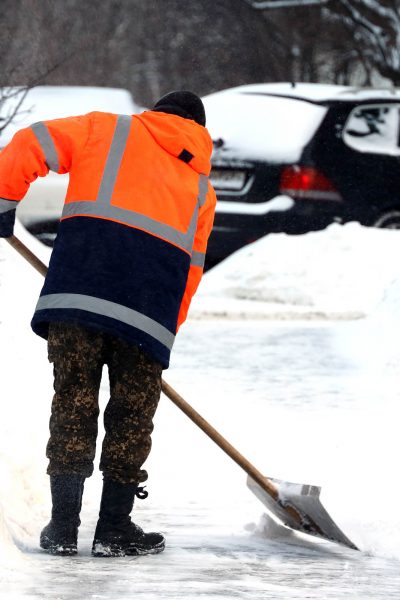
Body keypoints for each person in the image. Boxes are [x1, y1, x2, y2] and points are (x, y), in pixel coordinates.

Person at [0, 91, 216, 557]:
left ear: (155, 112)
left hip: (80, 292)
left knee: (73, 400)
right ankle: (114, 529)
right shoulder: (202, 188)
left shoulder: (106, 129)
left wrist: (2, 197)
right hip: (148, 312)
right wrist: (163, 334)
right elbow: (191, 272)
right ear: (199, 132)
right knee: (131, 418)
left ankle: (61, 529)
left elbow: (30, 141)